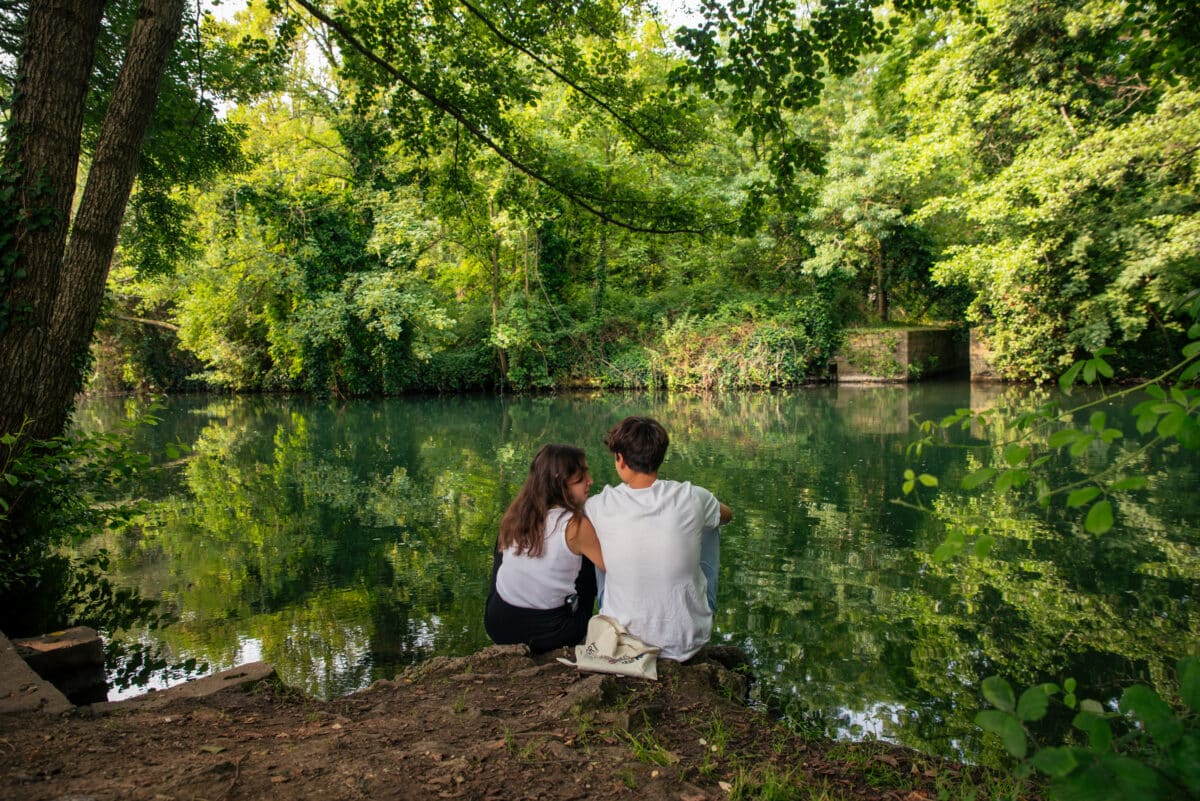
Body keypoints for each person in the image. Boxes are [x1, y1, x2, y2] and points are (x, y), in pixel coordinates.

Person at [585, 416, 732, 661]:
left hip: (622, 639)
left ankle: (614, 615)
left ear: (620, 459)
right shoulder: (692, 496)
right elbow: (727, 515)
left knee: (594, 536)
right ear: (660, 456)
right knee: (710, 525)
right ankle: (696, 611)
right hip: (686, 640)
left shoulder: (600, 504)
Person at [484, 443, 606, 653]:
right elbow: (610, 567)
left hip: (499, 627)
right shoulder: (575, 524)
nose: (590, 481)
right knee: (589, 559)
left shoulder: (515, 515)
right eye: (581, 475)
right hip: (554, 634)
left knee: (502, 552)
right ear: (560, 482)